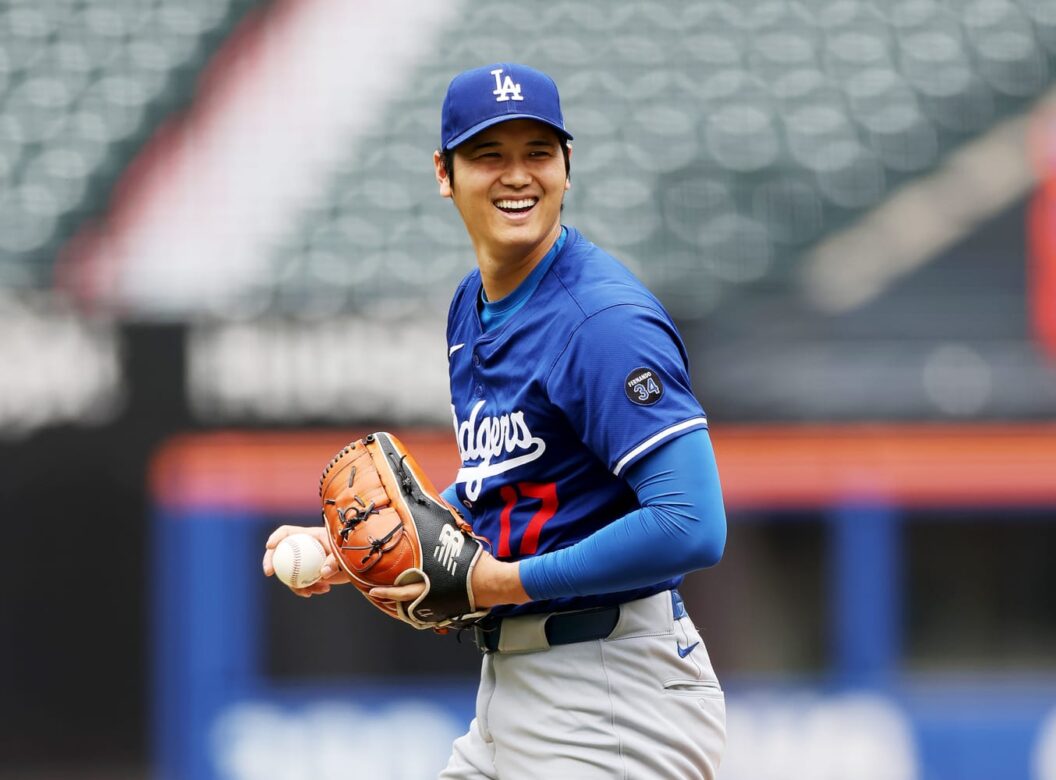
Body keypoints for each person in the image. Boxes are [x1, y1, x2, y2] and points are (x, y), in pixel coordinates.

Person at [263, 62, 727, 779]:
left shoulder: (602, 322)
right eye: (488, 155)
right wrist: (355, 544)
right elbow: (504, 489)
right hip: (517, 690)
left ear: (567, 166)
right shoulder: (470, 307)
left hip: (613, 697)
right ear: (444, 174)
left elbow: (690, 524)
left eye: (538, 152)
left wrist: (497, 583)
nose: (517, 176)